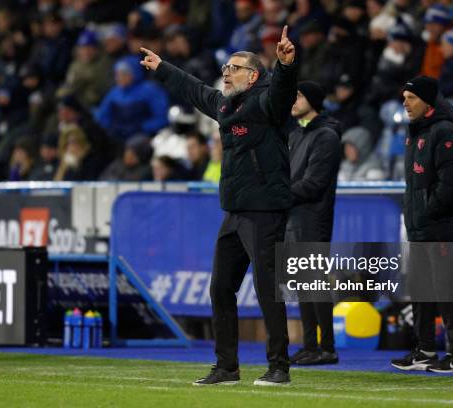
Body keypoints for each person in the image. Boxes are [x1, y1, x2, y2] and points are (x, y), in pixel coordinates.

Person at [140, 25, 297, 386]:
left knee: (266, 287)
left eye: (234, 68)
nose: (226, 72)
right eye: (225, 68)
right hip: (235, 210)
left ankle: (279, 367)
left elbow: (282, 91)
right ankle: (227, 367)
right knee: (220, 288)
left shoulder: (266, 102)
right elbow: (195, 91)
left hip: (265, 209)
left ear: (254, 75)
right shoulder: (227, 104)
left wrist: (286, 66)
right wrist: (163, 67)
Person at [391, 76, 453, 373]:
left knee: (447, 292)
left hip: (443, 228)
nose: (405, 103)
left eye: (411, 97)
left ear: (427, 101)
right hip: (422, 227)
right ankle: (424, 349)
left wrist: (426, 212)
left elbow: (452, 185)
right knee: (421, 290)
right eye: (404, 97)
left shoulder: (445, 131)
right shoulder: (416, 132)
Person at [286, 81, 342, 366]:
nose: (292, 100)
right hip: (293, 217)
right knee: (301, 284)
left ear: (314, 100)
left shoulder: (326, 136)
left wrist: (278, 194)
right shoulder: (297, 134)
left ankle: (327, 347)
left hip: (313, 218)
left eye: (298, 95)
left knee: (314, 284)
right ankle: (310, 345)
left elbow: (314, 184)